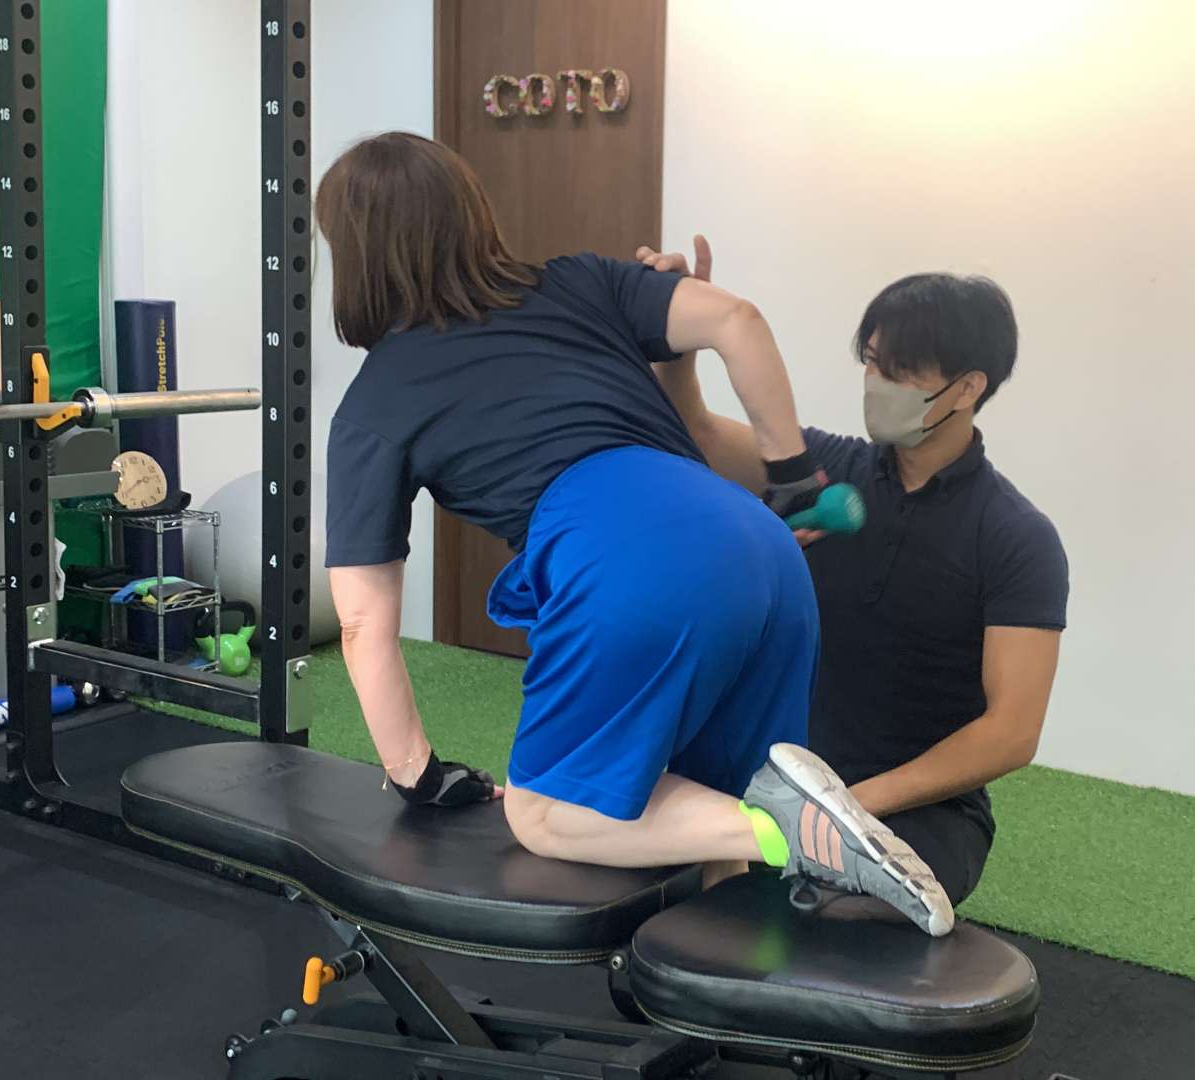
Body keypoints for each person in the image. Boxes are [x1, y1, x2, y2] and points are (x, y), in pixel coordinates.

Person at [314, 133, 953, 936]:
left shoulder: (373, 405)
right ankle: (733, 980)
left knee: (546, 813)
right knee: (705, 805)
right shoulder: (580, 282)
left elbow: (362, 624)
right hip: (758, 543)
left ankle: (789, 830)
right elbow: (737, 319)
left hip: (630, 562)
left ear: (356, 256)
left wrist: (416, 774)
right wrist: (792, 474)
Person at [642, 236, 1068, 904]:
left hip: (917, 810)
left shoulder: (1016, 537)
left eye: (902, 371)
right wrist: (682, 326)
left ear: (968, 387)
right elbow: (696, 432)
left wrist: (847, 807)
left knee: (827, 926)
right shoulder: (820, 471)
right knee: (639, 867)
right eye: (872, 362)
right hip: (773, 778)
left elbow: (1011, 733)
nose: (877, 384)